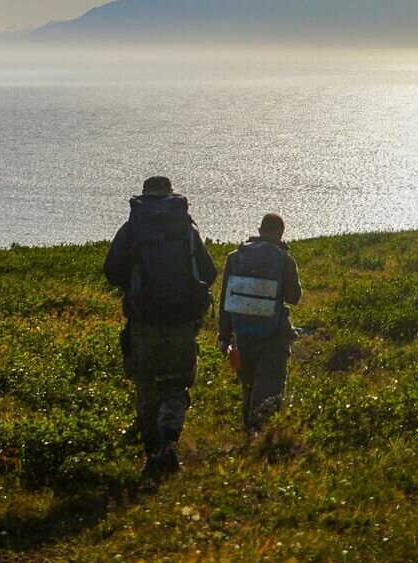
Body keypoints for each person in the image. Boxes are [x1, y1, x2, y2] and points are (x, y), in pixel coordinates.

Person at [104, 176, 217, 478]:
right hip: (181, 320)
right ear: (171, 194)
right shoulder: (187, 229)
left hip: (143, 321)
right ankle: (169, 445)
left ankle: (150, 454)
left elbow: (112, 273)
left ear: (144, 195)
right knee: (175, 384)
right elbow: (209, 272)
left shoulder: (132, 228)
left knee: (146, 386)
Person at [217, 213, 302, 432]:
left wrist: (224, 335)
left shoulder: (234, 257)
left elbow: (226, 299)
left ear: (260, 229)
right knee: (270, 386)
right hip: (274, 336)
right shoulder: (284, 259)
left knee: (248, 385)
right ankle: (261, 437)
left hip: (242, 334)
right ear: (281, 233)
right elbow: (294, 297)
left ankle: (248, 432)